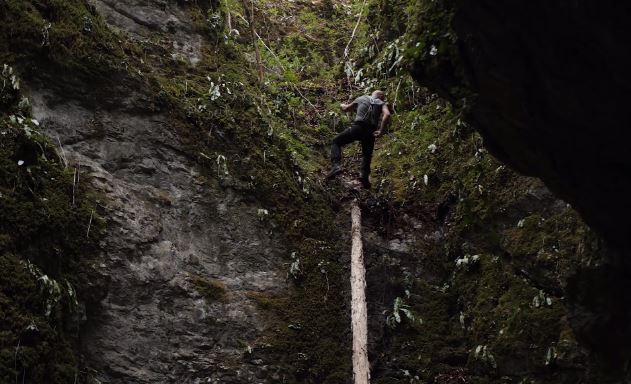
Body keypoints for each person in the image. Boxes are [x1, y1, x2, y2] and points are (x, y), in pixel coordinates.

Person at [326, 90, 391, 189]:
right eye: (384, 97)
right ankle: (364, 177)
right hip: (370, 132)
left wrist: (342, 105)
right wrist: (381, 131)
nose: (384, 98)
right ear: (381, 96)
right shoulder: (382, 103)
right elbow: (387, 115)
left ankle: (336, 165)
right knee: (367, 155)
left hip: (358, 128)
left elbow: (346, 108)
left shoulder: (362, 98)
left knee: (336, 142)